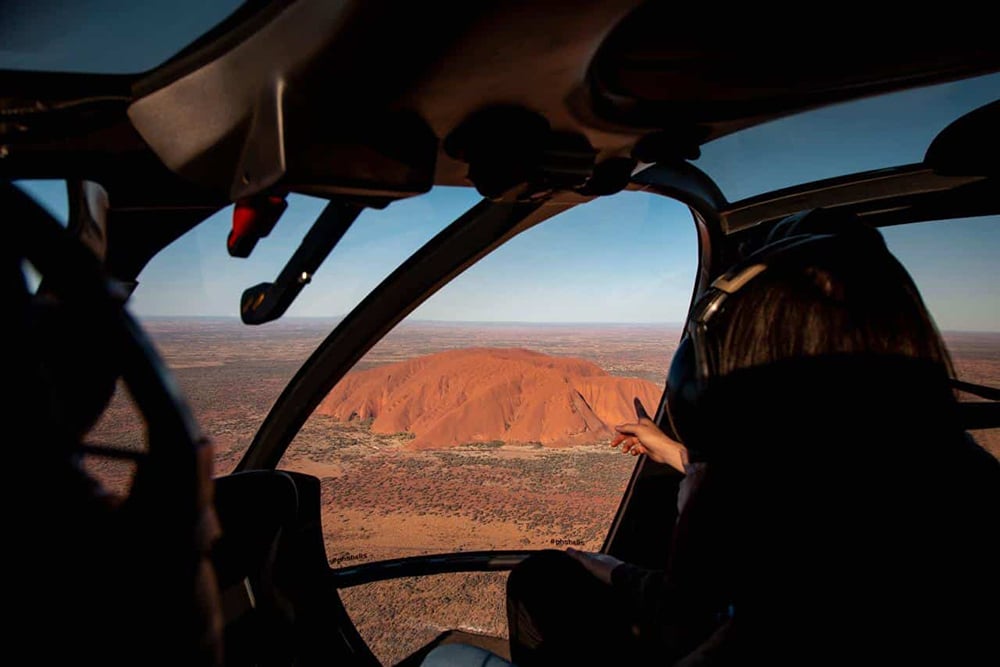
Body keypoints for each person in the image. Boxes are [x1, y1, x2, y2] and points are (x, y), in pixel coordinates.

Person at [422, 208, 1000, 666]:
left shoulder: (805, 569)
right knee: (553, 576)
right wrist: (670, 457)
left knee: (517, 606)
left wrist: (690, 499)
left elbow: (718, 617)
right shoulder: (939, 475)